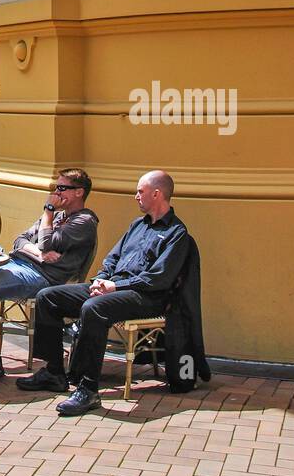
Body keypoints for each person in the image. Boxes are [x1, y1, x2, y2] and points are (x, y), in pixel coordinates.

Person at [17, 170, 190, 416]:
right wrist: (101, 279)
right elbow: (113, 258)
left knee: (93, 308)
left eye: (140, 192)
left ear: (157, 193)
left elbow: (158, 278)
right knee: (49, 297)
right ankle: (54, 372)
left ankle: (88, 389)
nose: (136, 197)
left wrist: (114, 287)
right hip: (113, 287)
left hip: (146, 296)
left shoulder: (176, 233)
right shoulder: (137, 225)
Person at [0, 169, 98, 385]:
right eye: (56, 187)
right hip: (16, 261)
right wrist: (38, 253)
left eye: (62, 188)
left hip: (40, 276)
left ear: (79, 192)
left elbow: (45, 242)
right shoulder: (58, 217)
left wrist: (48, 210)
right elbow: (20, 239)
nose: (56, 192)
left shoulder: (83, 221)